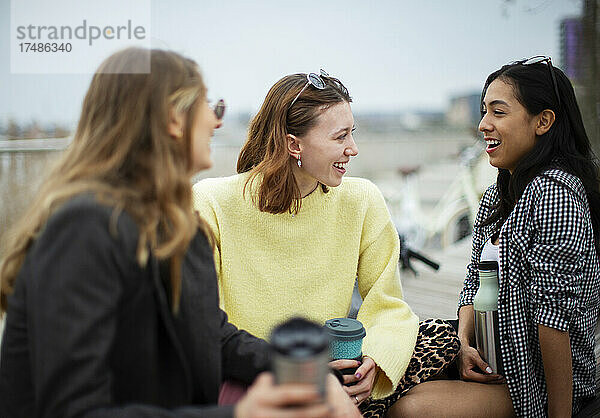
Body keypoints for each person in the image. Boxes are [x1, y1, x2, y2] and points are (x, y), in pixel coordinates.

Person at [0, 48, 360, 418]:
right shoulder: (85, 228)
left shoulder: (173, 225)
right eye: (209, 106)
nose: (216, 122)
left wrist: (311, 375)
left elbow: (213, 336)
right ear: (174, 118)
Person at [192, 70, 460, 416]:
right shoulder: (212, 202)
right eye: (340, 137)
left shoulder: (362, 200)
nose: (353, 149)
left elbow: (388, 303)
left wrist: (374, 363)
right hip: (250, 383)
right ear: (293, 144)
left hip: (338, 378)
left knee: (446, 338)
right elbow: (206, 326)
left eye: (353, 133)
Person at [390, 56, 600, 418]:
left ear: (543, 121)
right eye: (484, 111)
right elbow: (475, 278)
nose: (484, 124)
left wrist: (559, 414)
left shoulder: (555, 194)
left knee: (410, 410)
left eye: (498, 113)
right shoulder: (497, 196)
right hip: (492, 360)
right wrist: (463, 341)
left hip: (535, 385)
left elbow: (553, 320)